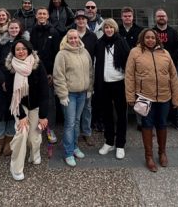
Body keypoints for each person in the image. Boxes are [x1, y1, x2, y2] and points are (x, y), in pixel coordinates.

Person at [125, 28, 178, 172]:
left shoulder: (165, 53)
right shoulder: (135, 52)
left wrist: (176, 98)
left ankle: (162, 152)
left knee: (162, 124)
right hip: (144, 96)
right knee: (147, 124)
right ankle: (148, 156)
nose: (150, 40)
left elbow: (173, 77)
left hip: (164, 96)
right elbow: (129, 75)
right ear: (142, 38)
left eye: (153, 37)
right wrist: (130, 96)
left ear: (157, 39)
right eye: (147, 37)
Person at [6, 39, 49, 181]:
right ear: (14, 52)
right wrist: (21, 115)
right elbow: (10, 95)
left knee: (34, 136)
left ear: (29, 49)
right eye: (18, 49)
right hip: (19, 105)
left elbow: (44, 92)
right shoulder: (11, 67)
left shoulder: (37, 65)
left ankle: (34, 154)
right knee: (22, 132)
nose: (21, 51)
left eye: (24, 48)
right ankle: (16, 167)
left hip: (36, 105)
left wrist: (43, 115)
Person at [53, 29, 93, 167]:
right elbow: (58, 76)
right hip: (69, 94)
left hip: (82, 93)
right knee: (69, 123)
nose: (74, 40)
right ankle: (68, 152)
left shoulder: (84, 52)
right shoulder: (62, 54)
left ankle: (75, 146)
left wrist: (90, 89)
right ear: (67, 39)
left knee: (76, 121)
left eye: (76, 38)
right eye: (71, 38)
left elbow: (90, 72)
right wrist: (62, 95)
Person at [0, 19, 27, 158]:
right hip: (0, 82)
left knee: (13, 110)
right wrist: (2, 81)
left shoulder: (25, 43)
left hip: (17, 82)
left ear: (20, 29)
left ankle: (10, 138)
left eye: (16, 28)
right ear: (8, 29)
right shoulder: (0, 43)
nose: (14, 30)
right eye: (11, 28)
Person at [95, 19, 130, 160]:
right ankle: (109, 141)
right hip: (104, 84)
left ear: (115, 29)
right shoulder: (99, 43)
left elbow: (129, 61)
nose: (108, 29)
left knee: (122, 114)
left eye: (111, 27)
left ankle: (120, 144)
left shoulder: (121, 42)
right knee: (107, 114)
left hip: (119, 83)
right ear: (103, 29)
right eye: (106, 27)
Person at [29, 7, 61, 144]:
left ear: (48, 16)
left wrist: (52, 73)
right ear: (36, 16)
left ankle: (49, 129)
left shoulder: (54, 32)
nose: (42, 15)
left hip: (48, 73)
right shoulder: (30, 32)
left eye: (44, 14)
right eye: (40, 13)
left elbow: (57, 54)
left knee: (49, 102)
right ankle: (35, 128)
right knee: (33, 101)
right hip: (32, 72)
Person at [153, 8, 178, 131]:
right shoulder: (152, 32)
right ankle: (161, 119)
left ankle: (175, 119)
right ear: (156, 18)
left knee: (174, 92)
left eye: (163, 16)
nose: (161, 17)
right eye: (159, 16)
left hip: (171, 67)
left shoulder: (173, 32)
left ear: (167, 18)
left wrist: (169, 62)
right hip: (155, 67)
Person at [74, 9, 98, 146]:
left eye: (83, 19)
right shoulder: (71, 35)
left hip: (88, 74)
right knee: (76, 108)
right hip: (75, 75)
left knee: (87, 107)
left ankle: (87, 132)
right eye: (79, 19)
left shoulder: (92, 36)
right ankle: (76, 133)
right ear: (75, 20)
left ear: (86, 21)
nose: (81, 21)